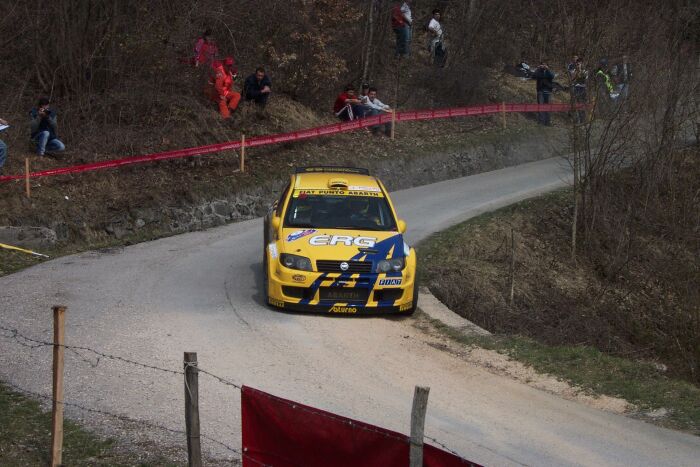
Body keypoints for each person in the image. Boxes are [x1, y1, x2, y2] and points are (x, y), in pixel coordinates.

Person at [570, 57, 588, 124]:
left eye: (579, 63)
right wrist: (577, 71)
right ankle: (578, 120)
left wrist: (581, 70)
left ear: (582, 63)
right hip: (577, 89)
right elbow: (572, 79)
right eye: (577, 64)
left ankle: (583, 120)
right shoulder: (575, 71)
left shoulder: (585, 71)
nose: (578, 65)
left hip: (583, 88)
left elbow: (585, 79)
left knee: (582, 104)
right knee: (577, 104)